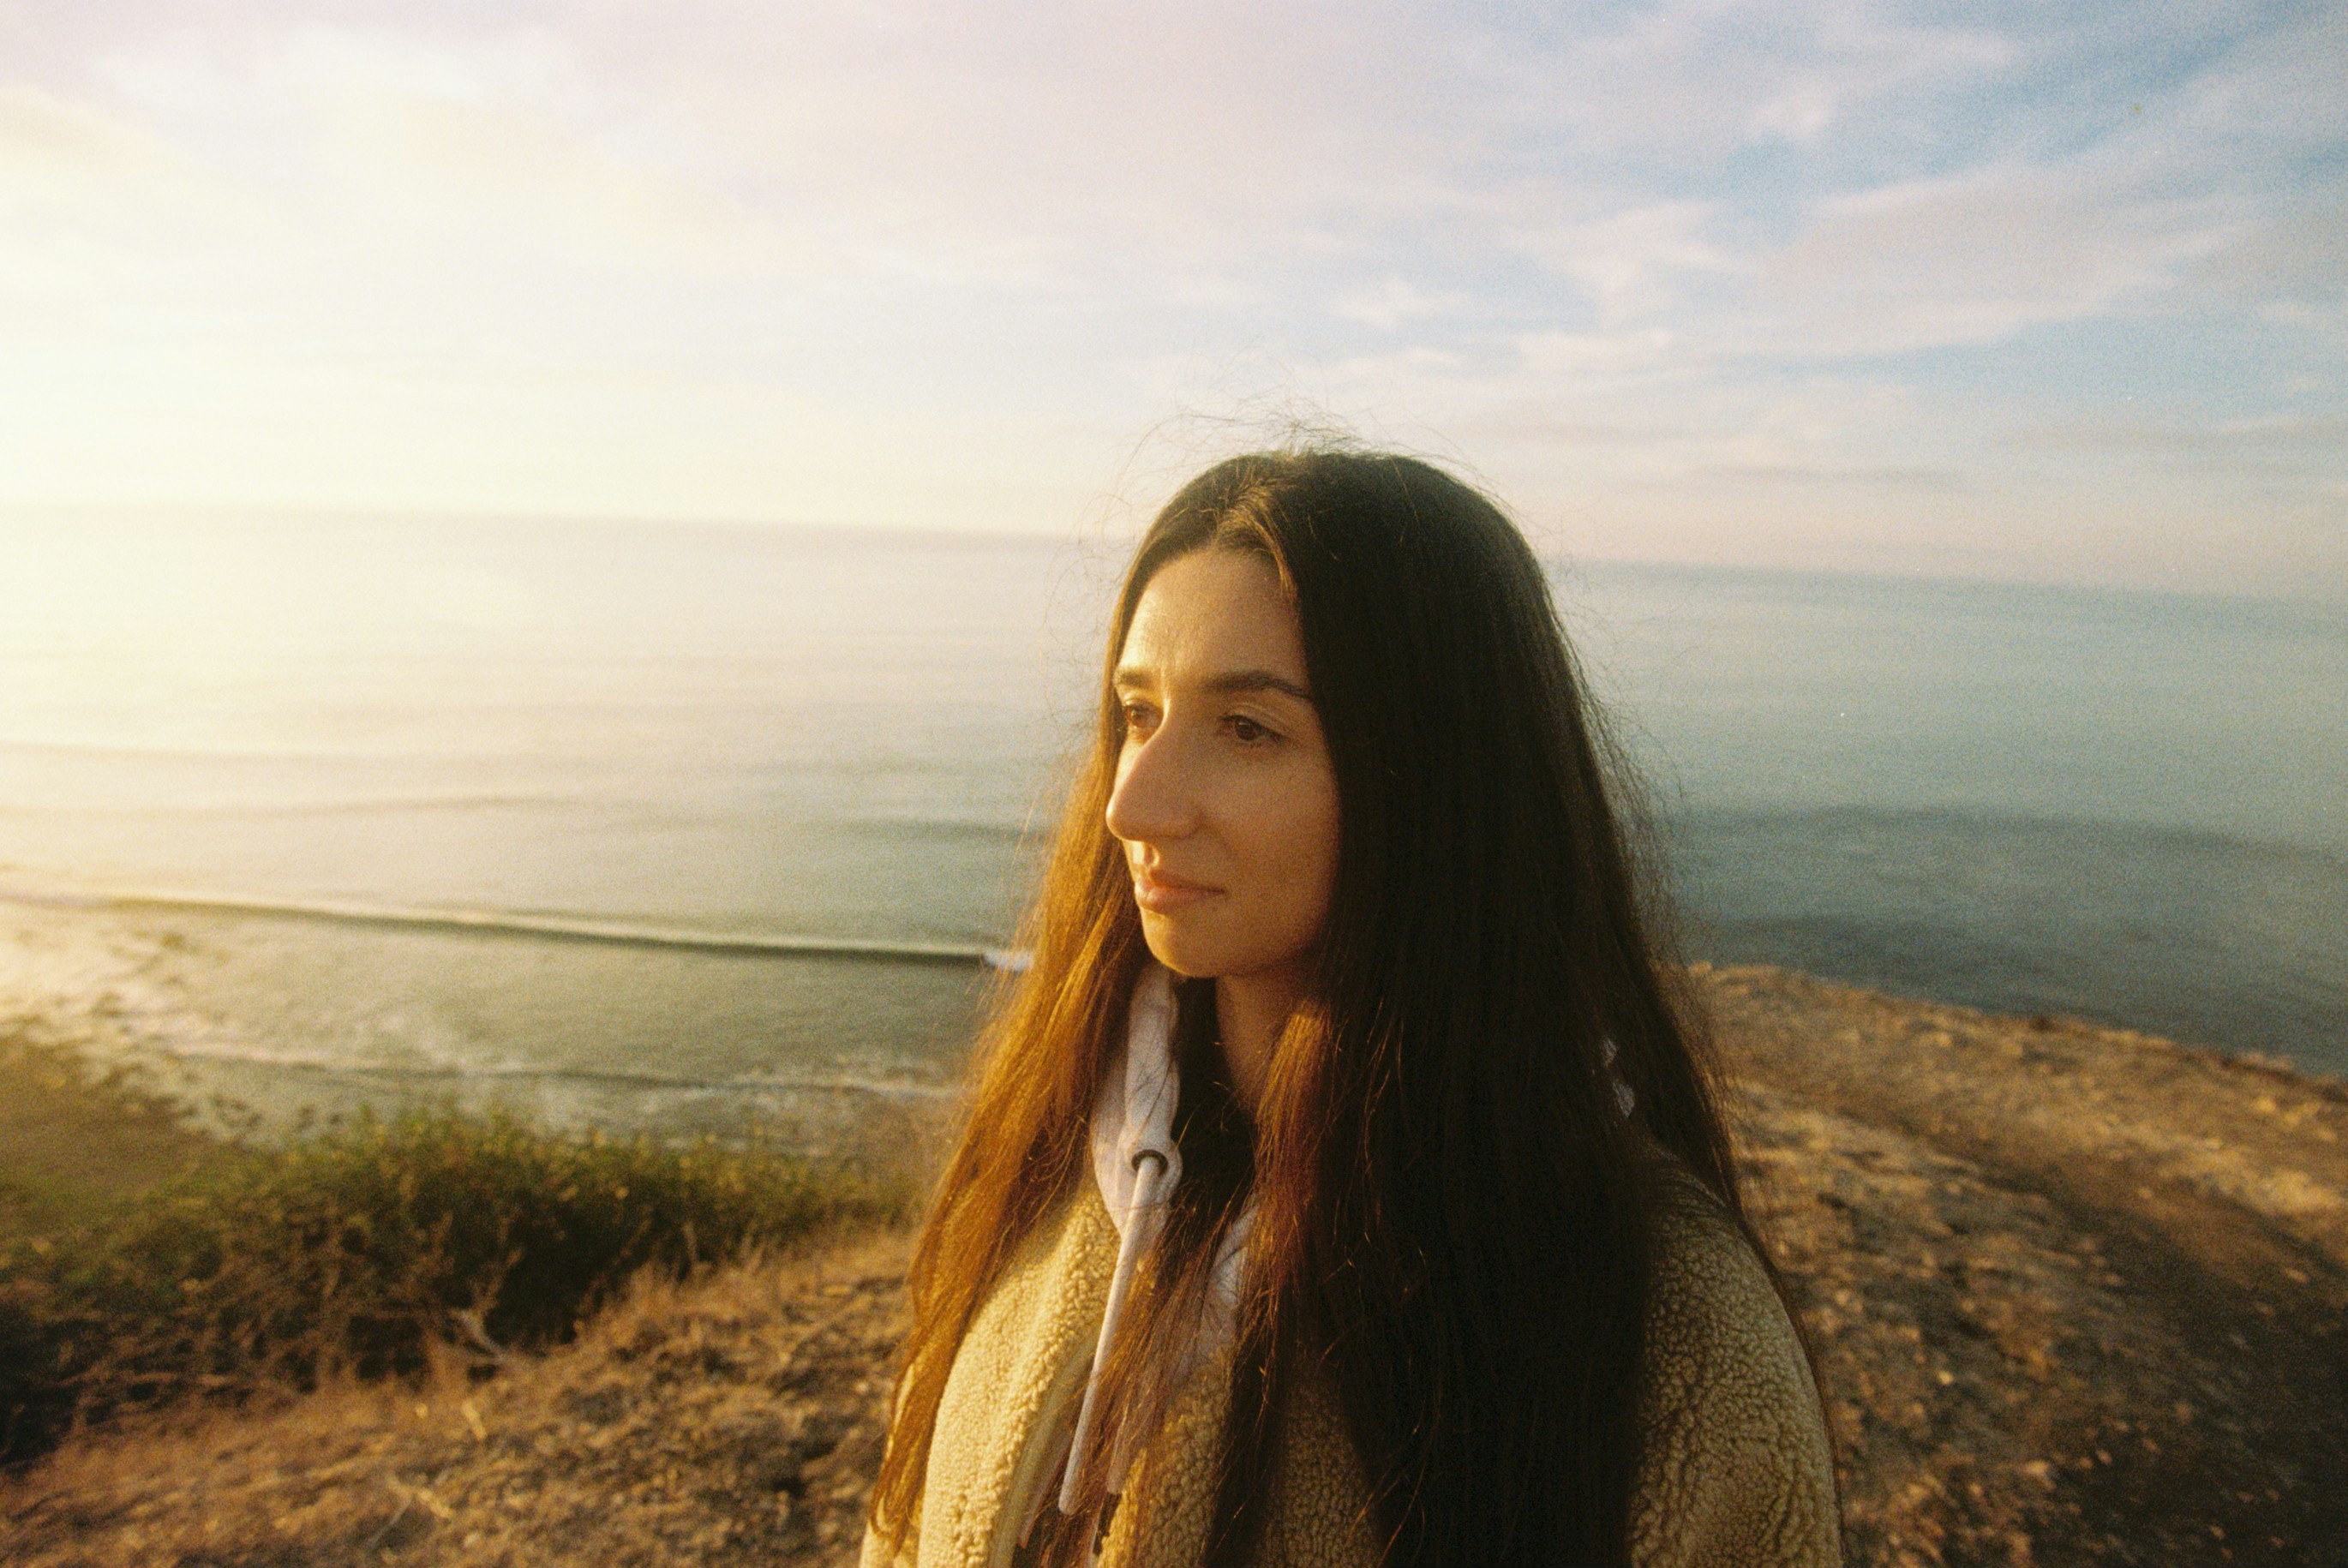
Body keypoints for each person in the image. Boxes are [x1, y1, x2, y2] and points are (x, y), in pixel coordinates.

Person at [859, 450, 1842, 1567]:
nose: (1133, 800)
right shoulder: (1050, 1169)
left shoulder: (1674, 1337)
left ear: (1429, 781)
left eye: (1248, 729)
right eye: (1137, 711)